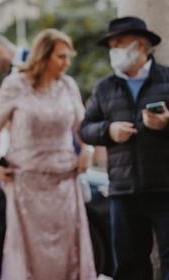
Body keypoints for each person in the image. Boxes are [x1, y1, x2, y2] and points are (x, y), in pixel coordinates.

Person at [0, 28, 95, 279]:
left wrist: (87, 149)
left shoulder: (68, 85)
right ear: (43, 56)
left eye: (69, 57)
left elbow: (83, 128)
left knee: (67, 252)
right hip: (26, 183)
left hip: (65, 183)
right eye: (61, 57)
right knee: (29, 255)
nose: (67, 63)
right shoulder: (15, 84)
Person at [80, 16, 169, 280]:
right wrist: (108, 131)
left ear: (140, 45)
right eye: (111, 45)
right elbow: (85, 128)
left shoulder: (167, 78)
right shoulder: (104, 87)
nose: (113, 50)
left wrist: (166, 123)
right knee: (129, 265)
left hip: (165, 187)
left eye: (119, 43)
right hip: (123, 190)